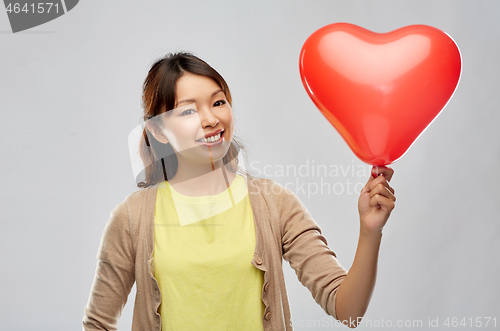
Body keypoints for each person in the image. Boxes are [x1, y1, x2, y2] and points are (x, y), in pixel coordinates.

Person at [82, 52, 396, 331]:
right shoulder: (132, 217)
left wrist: (370, 231)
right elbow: (99, 323)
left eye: (218, 102)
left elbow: (348, 312)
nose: (211, 119)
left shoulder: (274, 204)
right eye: (188, 111)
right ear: (158, 130)